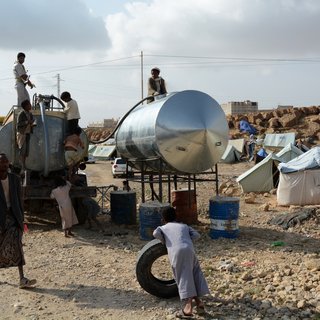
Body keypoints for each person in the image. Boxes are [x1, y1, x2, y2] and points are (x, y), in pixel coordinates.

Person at [153, 207, 209, 318]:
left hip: (177, 252)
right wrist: (185, 238)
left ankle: (188, 308)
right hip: (189, 249)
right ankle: (199, 302)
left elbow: (155, 234)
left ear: (163, 219)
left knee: (183, 276)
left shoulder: (163, 227)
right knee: (194, 272)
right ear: (176, 217)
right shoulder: (184, 226)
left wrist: (165, 241)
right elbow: (197, 235)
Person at [0, 153, 36, 289]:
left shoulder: (14, 179)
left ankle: (22, 278)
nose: (3, 165)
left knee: (18, 246)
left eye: (5, 162)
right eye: (1, 162)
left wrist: (21, 219)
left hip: (13, 217)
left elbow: (19, 200)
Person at [16, 99, 36, 171]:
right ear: (26, 106)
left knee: (26, 151)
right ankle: (22, 167)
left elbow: (31, 122)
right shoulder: (21, 114)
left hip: (28, 133)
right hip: (22, 134)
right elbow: (19, 124)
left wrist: (32, 123)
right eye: (29, 104)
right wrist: (28, 122)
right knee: (22, 150)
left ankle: (24, 166)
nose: (30, 105)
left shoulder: (30, 114)